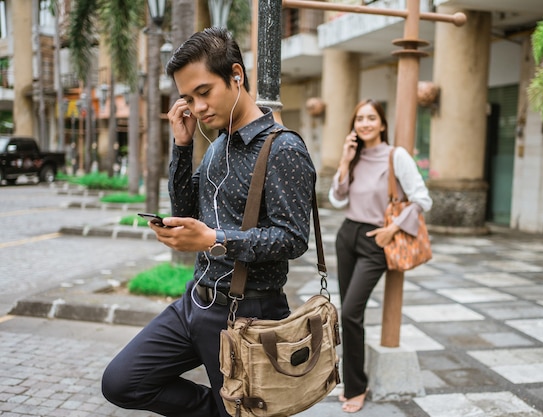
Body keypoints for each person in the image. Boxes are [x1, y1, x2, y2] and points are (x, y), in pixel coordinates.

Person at [101, 27, 316, 417]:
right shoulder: (218, 144)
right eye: (187, 98)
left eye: (204, 92)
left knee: (246, 412)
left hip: (249, 316)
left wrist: (215, 239)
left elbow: (293, 238)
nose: (197, 107)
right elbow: (187, 208)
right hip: (195, 302)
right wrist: (182, 147)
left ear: (236, 75)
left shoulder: (284, 148)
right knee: (122, 382)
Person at [328, 99, 432, 413]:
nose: (365, 123)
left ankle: (357, 388)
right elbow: (336, 198)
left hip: (376, 240)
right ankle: (352, 383)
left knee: (349, 312)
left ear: (382, 123)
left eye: (371, 118)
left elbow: (422, 199)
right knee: (349, 316)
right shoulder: (355, 156)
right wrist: (345, 161)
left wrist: (392, 230)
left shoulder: (395, 155)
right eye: (359, 118)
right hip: (347, 235)